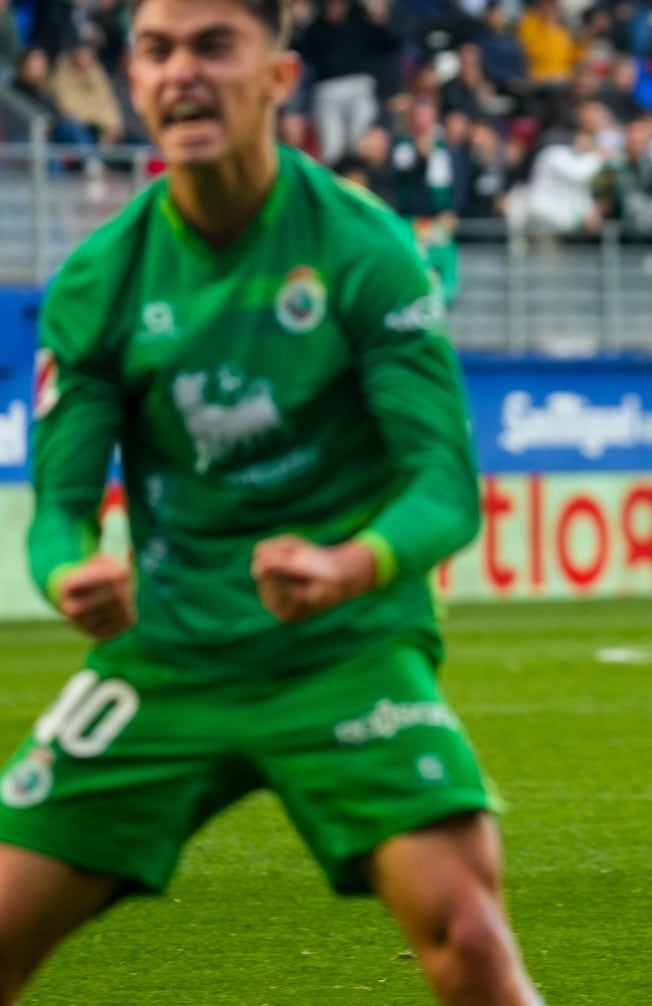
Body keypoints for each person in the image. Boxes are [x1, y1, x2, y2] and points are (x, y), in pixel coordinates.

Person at [0, 3, 544, 1003]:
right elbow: (57, 512)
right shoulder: (97, 280)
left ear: (279, 78)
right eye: (157, 51)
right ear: (132, 77)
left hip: (345, 649)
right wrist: (67, 573)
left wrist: (347, 565)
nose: (181, 74)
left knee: (468, 934)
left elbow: (443, 490)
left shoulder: (365, 247)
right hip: (170, 652)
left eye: (214, 45)